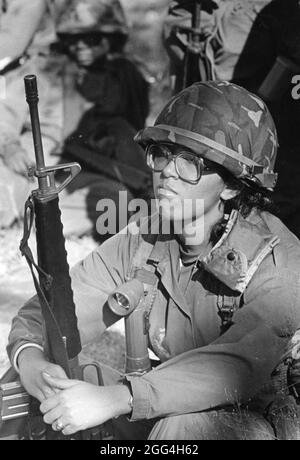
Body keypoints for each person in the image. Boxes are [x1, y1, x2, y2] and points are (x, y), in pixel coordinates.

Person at [6, 81, 300, 440]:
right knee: (28, 392)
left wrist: (120, 397)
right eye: (161, 153)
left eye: (190, 162)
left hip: (263, 419)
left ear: (232, 186)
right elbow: (52, 313)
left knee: (183, 429)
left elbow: (239, 364)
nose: (168, 172)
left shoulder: (276, 258)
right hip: (168, 400)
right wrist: (34, 365)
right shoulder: (145, 240)